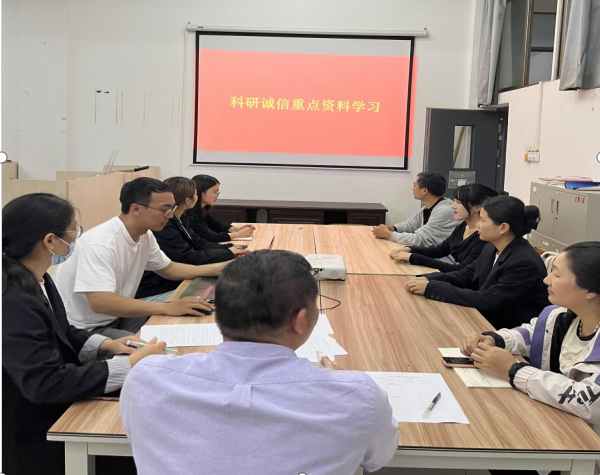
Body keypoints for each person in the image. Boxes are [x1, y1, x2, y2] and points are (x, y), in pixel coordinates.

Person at [121, 250, 399, 475]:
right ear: (300, 320)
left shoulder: (146, 378)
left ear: (221, 312)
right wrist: (339, 383)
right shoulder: (357, 396)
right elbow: (377, 459)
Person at [2, 193, 166, 475]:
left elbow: (62, 331)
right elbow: (45, 383)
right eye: (73, 230)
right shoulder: (14, 299)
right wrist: (129, 365)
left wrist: (109, 345)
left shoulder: (38, 277)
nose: (77, 238)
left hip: (57, 401)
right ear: (50, 240)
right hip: (36, 430)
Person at [54, 178, 228, 339]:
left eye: (172, 209)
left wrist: (217, 269)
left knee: (194, 310)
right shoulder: (100, 244)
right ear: (136, 209)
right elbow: (101, 302)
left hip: (115, 317)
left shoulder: (145, 235)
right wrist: (167, 307)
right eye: (164, 209)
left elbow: (168, 268)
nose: (170, 215)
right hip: (84, 330)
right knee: (162, 347)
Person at [459, 242, 600, 429]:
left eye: (557, 274)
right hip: (550, 422)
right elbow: (531, 334)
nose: (546, 280)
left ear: (590, 291)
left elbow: (589, 402)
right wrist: (493, 339)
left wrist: (514, 370)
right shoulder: (560, 316)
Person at [406, 195, 549, 329]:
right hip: (485, 320)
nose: (478, 225)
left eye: (483, 220)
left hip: (506, 330)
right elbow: (465, 275)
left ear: (503, 227)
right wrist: (426, 279)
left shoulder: (524, 262)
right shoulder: (491, 248)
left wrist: (432, 288)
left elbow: (488, 299)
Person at [136, 177, 249, 298]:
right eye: (196, 194)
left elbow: (198, 243)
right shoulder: (163, 227)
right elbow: (187, 257)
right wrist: (227, 252)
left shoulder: (182, 217)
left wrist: (228, 250)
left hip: (174, 281)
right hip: (159, 288)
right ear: (188, 200)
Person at [389, 183, 499, 272]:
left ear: (477, 208)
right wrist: (410, 249)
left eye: (459, 202)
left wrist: (412, 257)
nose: (453, 206)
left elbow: (461, 270)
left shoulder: (483, 236)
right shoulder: (463, 226)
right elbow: (439, 250)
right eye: (454, 201)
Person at [372, 172, 457, 248]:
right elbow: (411, 225)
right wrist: (391, 228)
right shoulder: (428, 207)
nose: (412, 189)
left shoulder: (444, 211)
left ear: (424, 191)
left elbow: (419, 240)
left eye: (414, 185)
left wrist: (388, 234)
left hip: (442, 259)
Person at [187, 174, 255, 242]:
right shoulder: (190, 213)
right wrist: (238, 234)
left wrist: (237, 230)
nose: (217, 195)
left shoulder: (203, 209)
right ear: (201, 192)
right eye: (215, 192)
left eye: (218, 192)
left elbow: (217, 226)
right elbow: (208, 236)